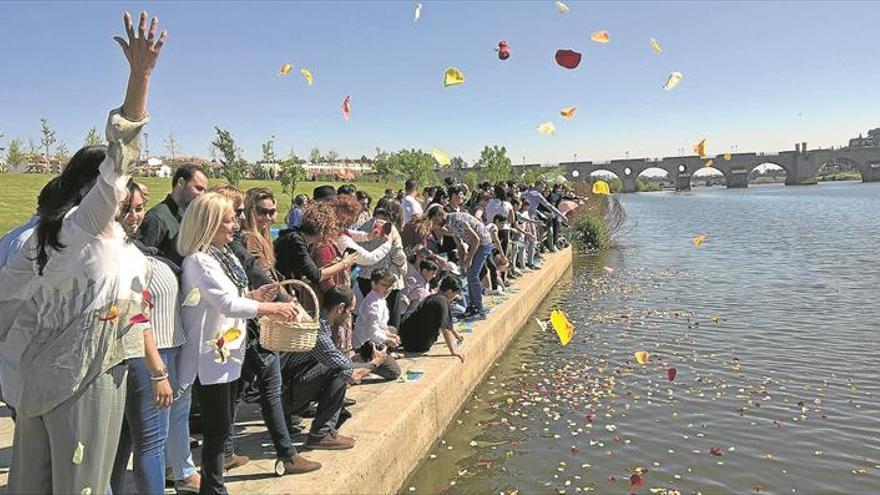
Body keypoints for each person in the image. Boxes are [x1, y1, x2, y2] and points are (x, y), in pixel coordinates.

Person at [0, 12, 167, 494]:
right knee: (83, 483)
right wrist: (141, 77)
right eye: (126, 188)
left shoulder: (49, 233)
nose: (133, 194)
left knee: (32, 482)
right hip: (84, 377)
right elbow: (120, 155)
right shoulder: (82, 228)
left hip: (38, 381)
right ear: (95, 190)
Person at [177, 192, 316, 494]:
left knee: (222, 427)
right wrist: (274, 308)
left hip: (227, 355)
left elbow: (232, 297)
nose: (236, 225)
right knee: (217, 430)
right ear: (210, 223)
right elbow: (226, 303)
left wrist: (255, 296)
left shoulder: (221, 254)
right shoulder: (199, 260)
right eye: (229, 220)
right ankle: (213, 489)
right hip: (210, 357)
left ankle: (214, 487)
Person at [111, 180, 188, 494]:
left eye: (139, 208)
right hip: (145, 355)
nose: (134, 216)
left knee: (125, 442)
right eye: (125, 209)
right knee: (151, 442)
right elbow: (136, 315)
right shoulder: (119, 255)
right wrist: (158, 370)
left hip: (148, 352)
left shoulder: (128, 249)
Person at [281, 286, 391, 449]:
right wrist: (375, 363)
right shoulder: (317, 332)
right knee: (339, 370)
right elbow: (351, 373)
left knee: (337, 366)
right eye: (349, 311)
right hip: (286, 395)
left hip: (289, 388)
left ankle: (308, 421)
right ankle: (321, 434)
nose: (349, 316)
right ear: (340, 308)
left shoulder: (319, 321)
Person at [427, 206, 495, 319]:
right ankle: (473, 306)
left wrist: (468, 260)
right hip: (478, 244)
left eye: (435, 220)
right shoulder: (449, 224)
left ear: (440, 215)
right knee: (469, 274)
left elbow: (476, 240)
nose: (436, 223)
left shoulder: (456, 220)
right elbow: (459, 245)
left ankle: (479, 309)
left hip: (483, 243)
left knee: (472, 275)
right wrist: (462, 262)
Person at [139, 163, 208, 266]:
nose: (202, 195)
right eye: (198, 188)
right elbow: (143, 261)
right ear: (180, 182)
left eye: (204, 190)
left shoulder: (189, 217)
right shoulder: (156, 218)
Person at [399, 276, 466, 362]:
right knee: (415, 302)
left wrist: (457, 336)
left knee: (415, 303)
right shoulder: (442, 301)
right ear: (449, 291)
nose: (456, 296)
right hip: (419, 345)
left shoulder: (434, 297)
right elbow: (445, 329)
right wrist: (454, 351)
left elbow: (448, 323)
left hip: (409, 341)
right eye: (456, 293)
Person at [353, 269, 401, 351]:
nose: (387, 289)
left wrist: (389, 335)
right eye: (383, 285)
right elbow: (372, 334)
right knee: (390, 363)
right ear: (373, 284)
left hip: (373, 341)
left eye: (390, 286)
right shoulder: (374, 305)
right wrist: (387, 340)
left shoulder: (379, 298)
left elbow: (381, 326)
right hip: (364, 347)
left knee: (392, 330)